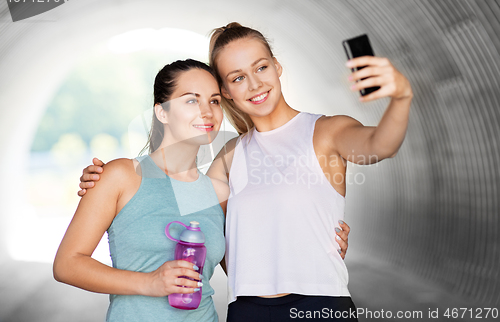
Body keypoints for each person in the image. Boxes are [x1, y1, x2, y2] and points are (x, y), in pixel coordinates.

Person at [80, 22, 410, 321]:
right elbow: (182, 210)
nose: (254, 84)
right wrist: (105, 180)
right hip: (247, 311)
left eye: (261, 67)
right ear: (226, 91)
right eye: (238, 77)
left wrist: (401, 96)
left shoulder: (326, 131)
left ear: (277, 67)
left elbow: (380, 145)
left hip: (319, 306)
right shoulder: (229, 155)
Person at [53, 59, 230, 322]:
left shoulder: (219, 192)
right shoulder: (121, 176)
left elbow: (247, 274)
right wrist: (150, 283)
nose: (207, 111)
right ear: (162, 112)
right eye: (191, 100)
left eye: (214, 101)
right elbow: (67, 264)